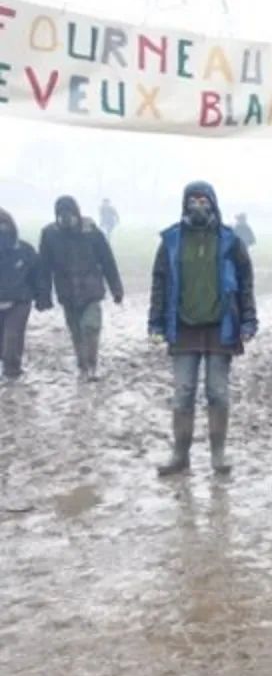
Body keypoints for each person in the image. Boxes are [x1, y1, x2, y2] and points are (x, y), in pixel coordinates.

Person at [149, 182, 257, 477]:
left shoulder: (230, 241)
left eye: (203, 200)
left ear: (213, 203)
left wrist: (248, 320)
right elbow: (159, 281)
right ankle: (180, 454)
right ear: (184, 204)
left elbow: (246, 282)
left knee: (217, 392)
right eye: (192, 200)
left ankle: (218, 453)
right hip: (183, 327)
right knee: (183, 391)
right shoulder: (171, 240)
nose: (198, 205)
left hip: (221, 327)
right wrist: (155, 322)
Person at [38, 195, 125, 381]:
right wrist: (43, 295)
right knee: (76, 331)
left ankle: (92, 365)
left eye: (68, 213)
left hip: (91, 290)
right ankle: (82, 366)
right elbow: (43, 267)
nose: (65, 218)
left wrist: (116, 288)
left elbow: (107, 261)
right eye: (60, 214)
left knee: (90, 327)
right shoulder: (49, 235)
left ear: (76, 213)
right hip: (66, 292)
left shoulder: (92, 232)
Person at [0, 208, 47, 380]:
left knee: (12, 337)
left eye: (3, 227)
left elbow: (38, 275)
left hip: (19, 301)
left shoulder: (25, 250)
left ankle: (12, 371)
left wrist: (43, 297)